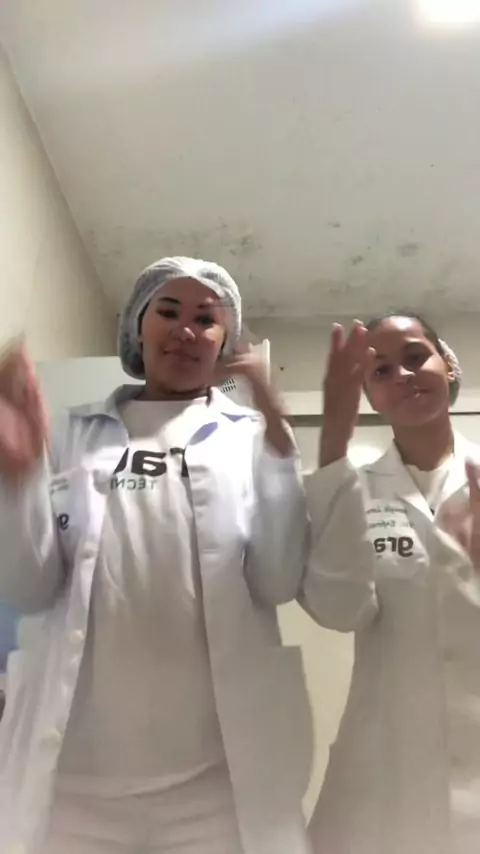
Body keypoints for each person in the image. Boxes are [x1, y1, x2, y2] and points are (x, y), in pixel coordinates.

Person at [0, 256, 315, 854]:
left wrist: (279, 445)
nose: (186, 329)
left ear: (225, 343)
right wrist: (17, 480)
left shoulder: (250, 437)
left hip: (215, 788)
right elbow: (29, 586)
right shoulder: (69, 433)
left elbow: (276, 581)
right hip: (74, 785)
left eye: (207, 318)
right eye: (168, 311)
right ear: (137, 328)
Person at [301, 312, 480, 854]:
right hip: (383, 769)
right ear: (368, 396)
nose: (402, 374)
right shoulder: (350, 484)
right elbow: (340, 610)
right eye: (380, 370)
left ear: (449, 366)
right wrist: (333, 442)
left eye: (415, 356)